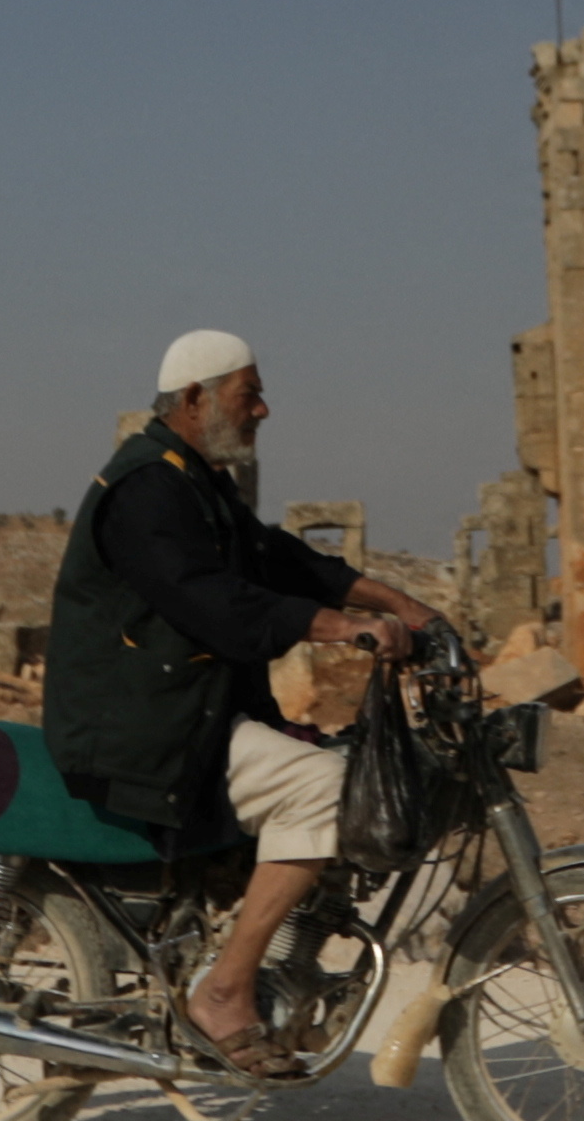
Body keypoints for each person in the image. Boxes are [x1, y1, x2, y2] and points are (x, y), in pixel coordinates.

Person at [41, 327, 439, 1075]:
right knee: (324, 787)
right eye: (247, 393)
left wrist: (394, 601)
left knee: (329, 758)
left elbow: (276, 559)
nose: (262, 409)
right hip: (145, 729)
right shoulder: (146, 490)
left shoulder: (195, 480)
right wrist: (343, 627)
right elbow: (216, 604)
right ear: (195, 398)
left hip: (192, 713)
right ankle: (224, 991)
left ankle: (269, 957)